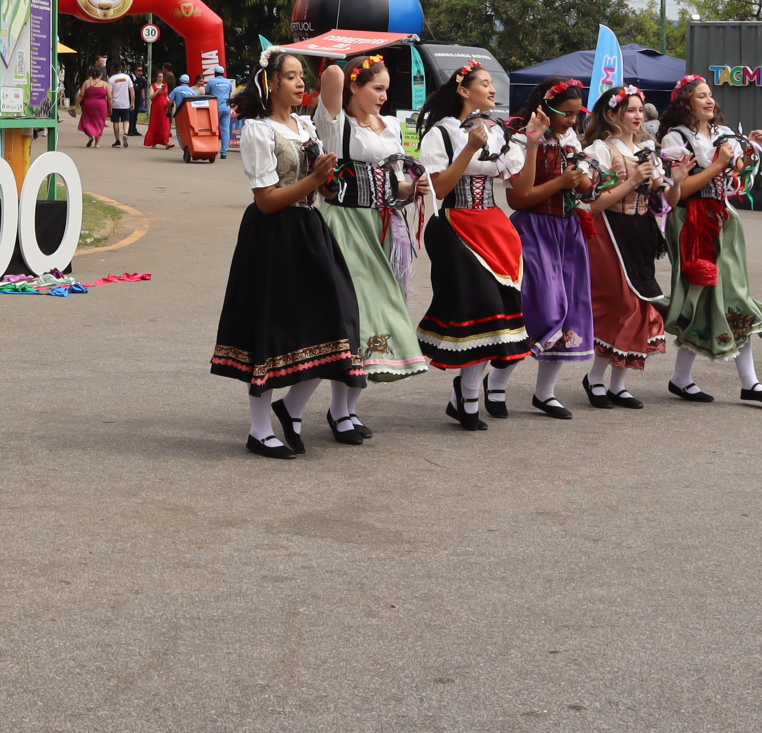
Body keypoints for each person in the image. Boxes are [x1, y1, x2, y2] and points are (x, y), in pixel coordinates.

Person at [209, 55, 363, 458]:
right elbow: (266, 201)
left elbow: (321, 189)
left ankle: (292, 407)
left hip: (310, 228)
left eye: (301, 77)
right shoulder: (260, 131)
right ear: (271, 82)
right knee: (271, 328)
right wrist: (313, 178)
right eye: (291, 76)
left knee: (336, 320)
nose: (299, 83)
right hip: (274, 235)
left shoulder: (306, 125)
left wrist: (327, 181)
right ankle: (259, 429)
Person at [313, 55, 431, 438]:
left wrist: (412, 189)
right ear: (354, 86)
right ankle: (338, 411)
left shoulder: (391, 125)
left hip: (383, 226)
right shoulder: (334, 125)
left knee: (381, 312)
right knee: (355, 315)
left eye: (385, 90)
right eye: (376, 88)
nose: (383, 96)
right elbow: (332, 74)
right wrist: (351, 51)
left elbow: (394, 181)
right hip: (346, 224)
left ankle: (346, 409)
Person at [415, 61, 531, 429]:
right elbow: (440, 190)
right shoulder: (442, 133)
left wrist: (535, 141)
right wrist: (468, 150)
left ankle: (464, 395)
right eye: (485, 84)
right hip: (453, 225)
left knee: (501, 314)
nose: (493, 91)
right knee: (481, 308)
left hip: (492, 225)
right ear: (464, 90)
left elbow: (517, 185)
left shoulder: (496, 131)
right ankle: (467, 396)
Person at [657, 74, 762, 404]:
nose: (710, 101)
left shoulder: (724, 134)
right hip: (691, 224)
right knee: (700, 300)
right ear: (686, 103)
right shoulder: (674, 139)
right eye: (701, 96)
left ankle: (747, 381)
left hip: (722, 221)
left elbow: (737, 173)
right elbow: (678, 195)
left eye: (711, 95)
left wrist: (750, 151)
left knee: (735, 295)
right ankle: (683, 378)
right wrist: (720, 163)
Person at [503, 78, 599, 420]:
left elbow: (587, 191)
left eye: (577, 115)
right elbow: (518, 197)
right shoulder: (521, 137)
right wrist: (561, 182)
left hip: (568, 230)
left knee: (570, 309)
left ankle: (545, 392)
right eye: (567, 114)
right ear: (546, 108)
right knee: (540, 308)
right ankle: (495, 384)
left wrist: (590, 182)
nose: (572, 121)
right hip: (534, 228)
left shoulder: (570, 139)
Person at [578, 85, 666, 408]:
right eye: (631, 110)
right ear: (612, 114)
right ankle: (595, 377)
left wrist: (677, 179)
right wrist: (632, 180)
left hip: (641, 230)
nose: (638, 116)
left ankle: (618, 383)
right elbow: (595, 204)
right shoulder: (602, 150)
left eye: (641, 110)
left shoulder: (646, 150)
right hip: (611, 232)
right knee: (621, 305)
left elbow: (664, 198)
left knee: (641, 304)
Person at [206, 65, 237, 151]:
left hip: (214, 108)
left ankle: (211, 149)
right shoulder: (228, 82)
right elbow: (229, 93)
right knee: (225, 130)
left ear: (215, 73)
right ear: (223, 73)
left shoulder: (211, 82)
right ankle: (224, 151)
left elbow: (207, 94)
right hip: (226, 108)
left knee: (212, 129)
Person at [76, 73, 110, 146]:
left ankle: (90, 136)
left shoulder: (87, 82)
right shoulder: (105, 84)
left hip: (89, 104)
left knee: (86, 120)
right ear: (100, 75)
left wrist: (76, 105)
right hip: (101, 105)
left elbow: (81, 94)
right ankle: (97, 143)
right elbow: (109, 97)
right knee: (100, 122)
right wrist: (110, 107)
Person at [143, 71, 175, 148]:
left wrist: (170, 102)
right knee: (156, 124)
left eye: (162, 77)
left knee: (165, 124)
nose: (161, 78)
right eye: (159, 77)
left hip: (164, 107)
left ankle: (166, 142)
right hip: (156, 108)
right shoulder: (153, 86)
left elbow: (166, 96)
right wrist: (158, 91)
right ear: (156, 77)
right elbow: (151, 97)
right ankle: (154, 142)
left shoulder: (165, 85)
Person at [109, 66, 137, 145]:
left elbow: (110, 93)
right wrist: (132, 102)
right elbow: (131, 89)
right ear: (121, 68)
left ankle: (117, 140)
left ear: (114, 69)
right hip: (125, 104)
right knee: (126, 120)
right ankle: (125, 133)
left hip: (115, 104)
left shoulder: (111, 79)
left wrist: (110, 105)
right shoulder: (127, 77)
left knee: (115, 122)